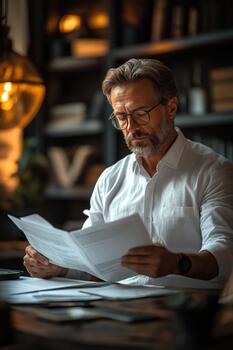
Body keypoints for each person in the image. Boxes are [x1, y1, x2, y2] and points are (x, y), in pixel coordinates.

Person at [23, 58, 233, 287]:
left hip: (185, 313)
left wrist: (178, 263)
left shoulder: (213, 170)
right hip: (118, 309)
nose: (131, 127)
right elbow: (93, 265)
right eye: (121, 117)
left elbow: (225, 254)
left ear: (171, 107)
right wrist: (59, 268)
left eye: (141, 113)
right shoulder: (110, 180)